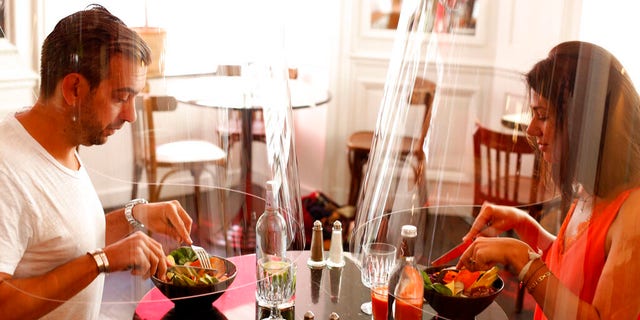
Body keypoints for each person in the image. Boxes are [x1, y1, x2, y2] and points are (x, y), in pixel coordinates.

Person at [0, 5, 195, 319]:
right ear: (74, 88)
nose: (131, 115)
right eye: (121, 97)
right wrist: (102, 261)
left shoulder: (58, 142)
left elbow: (64, 240)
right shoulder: (6, 169)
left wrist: (137, 214)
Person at [457, 41, 640, 319]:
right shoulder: (594, 184)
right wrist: (523, 223)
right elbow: (577, 267)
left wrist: (520, 258)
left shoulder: (634, 213)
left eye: (542, 116)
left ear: (582, 123)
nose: (531, 129)